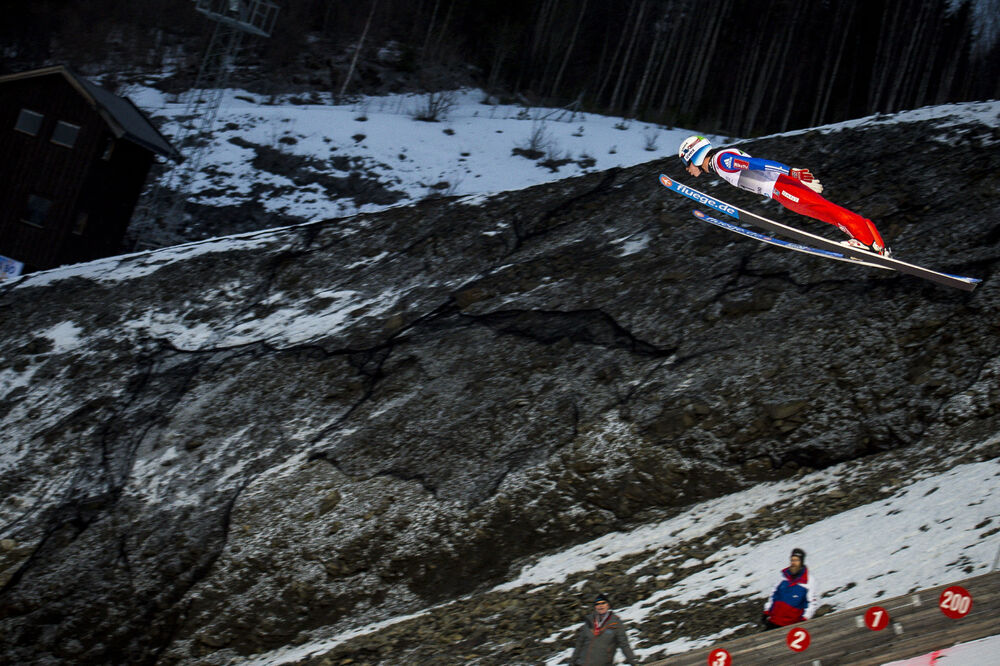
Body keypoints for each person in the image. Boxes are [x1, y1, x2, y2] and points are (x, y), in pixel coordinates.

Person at [678, 135, 891, 257]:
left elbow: (756, 163)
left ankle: (864, 241)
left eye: (685, 163)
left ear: (692, 156)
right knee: (829, 212)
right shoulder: (720, 161)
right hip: (782, 186)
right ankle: (875, 243)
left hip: (781, 187)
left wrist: (791, 172)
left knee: (828, 211)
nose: (687, 169)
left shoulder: (721, 161)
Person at [570, 594, 640, 665]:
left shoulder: (615, 623)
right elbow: (579, 644)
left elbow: (624, 645)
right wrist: (572, 662)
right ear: (595, 607)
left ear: (608, 605)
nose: (600, 606)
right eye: (597, 604)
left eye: (603, 603)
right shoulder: (589, 621)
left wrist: (634, 662)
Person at [761, 547, 818, 630]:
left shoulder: (809, 581)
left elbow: (811, 604)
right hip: (773, 621)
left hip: (791, 626)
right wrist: (767, 611)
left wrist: (805, 619)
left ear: (801, 562)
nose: (793, 563)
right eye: (792, 560)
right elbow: (774, 594)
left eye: (797, 560)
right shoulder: (783, 575)